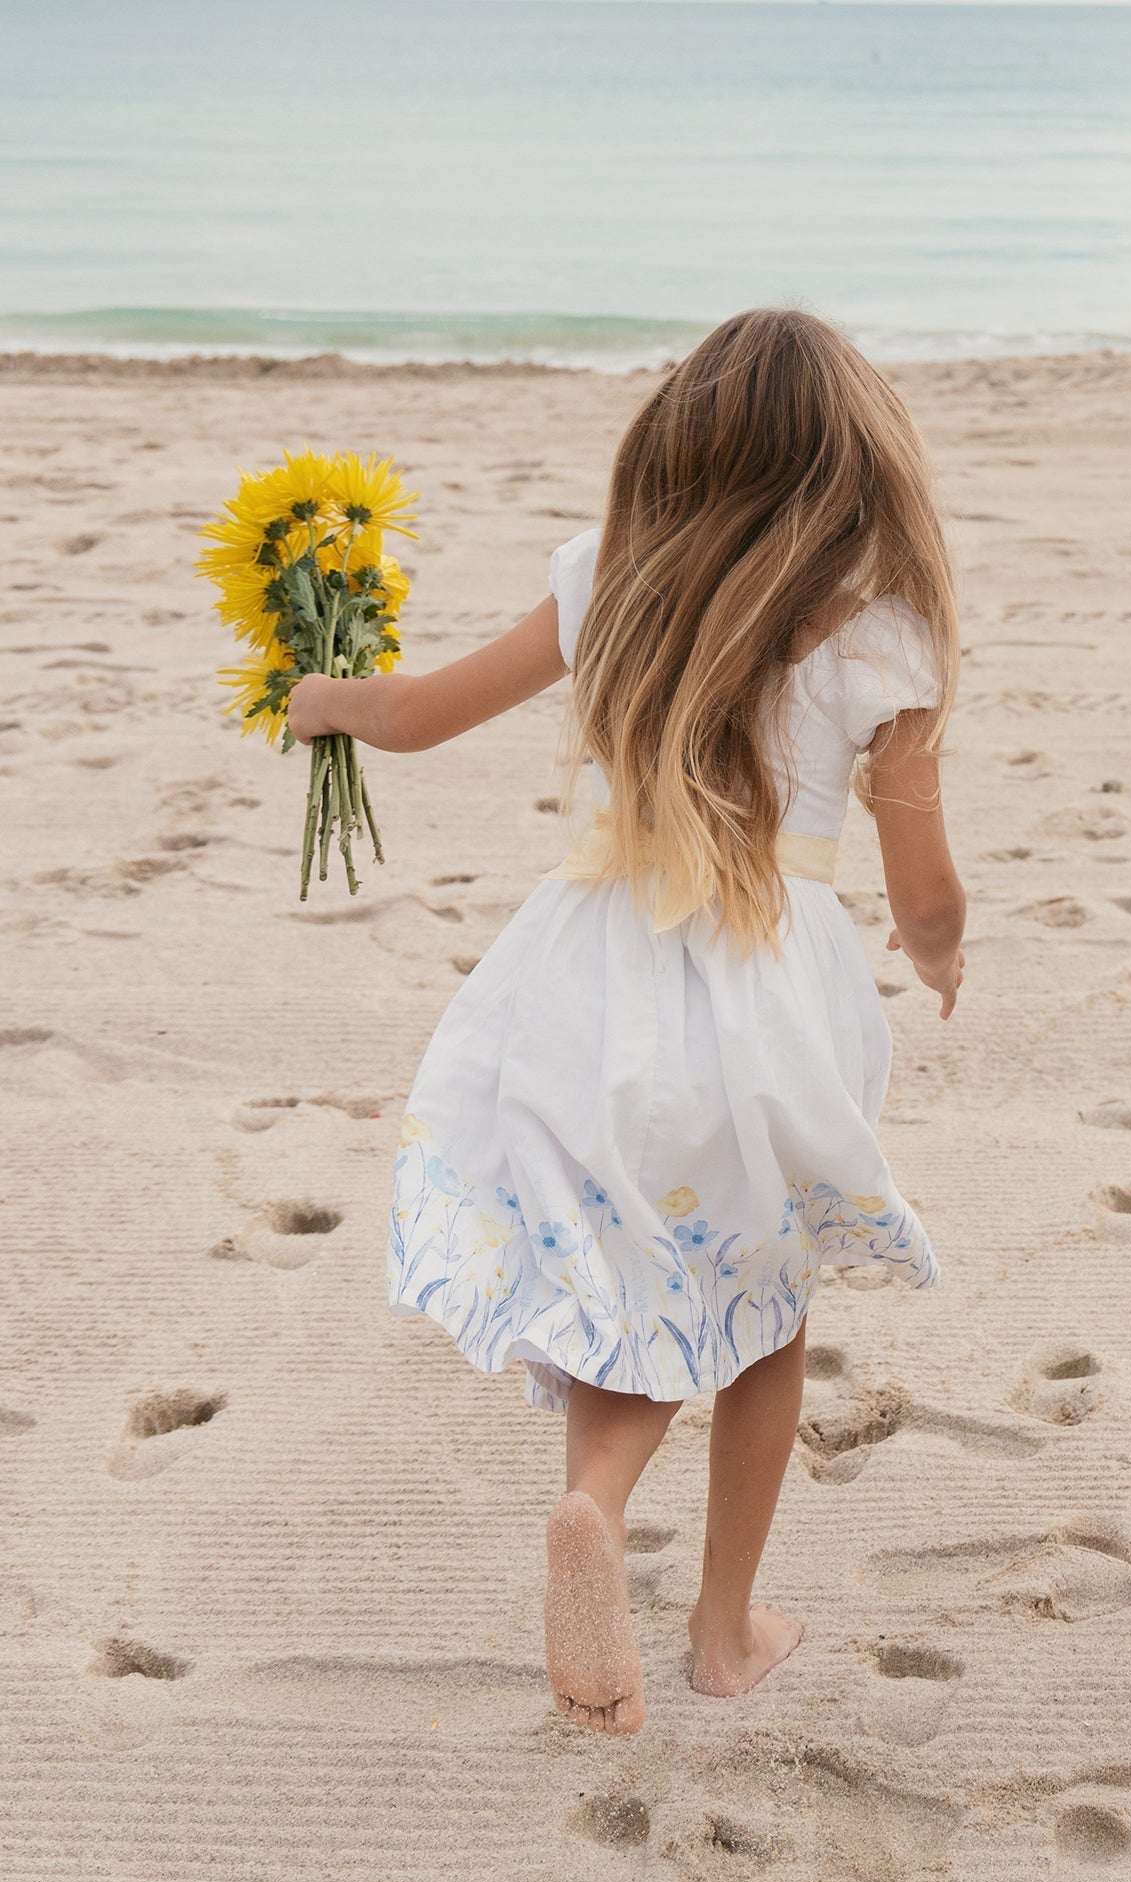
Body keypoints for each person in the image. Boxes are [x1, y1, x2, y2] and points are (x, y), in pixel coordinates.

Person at [287, 309, 967, 1734]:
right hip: (770, 1000)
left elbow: (415, 714)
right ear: (857, 467)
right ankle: (724, 1631)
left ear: (678, 442)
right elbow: (926, 885)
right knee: (761, 1300)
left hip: (589, 982)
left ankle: (595, 1503)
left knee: (628, 1280)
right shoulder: (883, 629)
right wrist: (941, 956)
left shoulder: (608, 581)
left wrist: (323, 697)